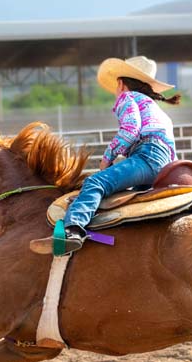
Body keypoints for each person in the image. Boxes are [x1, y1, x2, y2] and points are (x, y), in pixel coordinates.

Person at [32, 56, 180, 256]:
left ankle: (72, 231)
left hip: (146, 158)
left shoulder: (127, 98)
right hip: (164, 165)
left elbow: (130, 130)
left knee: (95, 183)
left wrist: (107, 157)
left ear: (120, 83)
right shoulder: (157, 110)